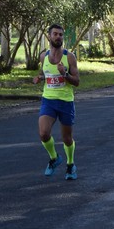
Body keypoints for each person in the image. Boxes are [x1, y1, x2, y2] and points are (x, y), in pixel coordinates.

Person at [33, 24, 80, 179]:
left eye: (61, 34)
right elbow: (45, 72)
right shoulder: (43, 56)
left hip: (66, 101)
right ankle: (54, 158)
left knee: (67, 138)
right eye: (55, 34)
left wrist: (64, 74)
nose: (58, 37)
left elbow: (77, 82)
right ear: (49, 36)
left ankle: (70, 164)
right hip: (49, 100)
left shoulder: (69, 57)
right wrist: (40, 78)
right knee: (43, 133)